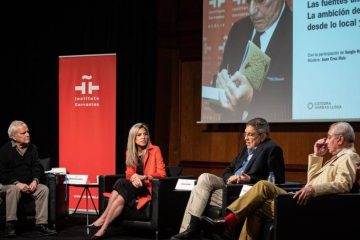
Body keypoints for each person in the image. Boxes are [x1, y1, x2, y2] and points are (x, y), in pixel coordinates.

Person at [202, 121, 360, 240]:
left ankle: (227, 220)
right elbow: (310, 181)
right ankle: (229, 221)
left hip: (312, 206)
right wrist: (317, 156)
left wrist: (313, 190)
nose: (325, 141)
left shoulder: (349, 157)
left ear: (339, 139)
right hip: (302, 200)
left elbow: (343, 184)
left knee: (263, 185)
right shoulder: (336, 158)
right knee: (256, 206)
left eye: (329, 137)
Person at [170, 118, 285, 240]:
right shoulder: (245, 149)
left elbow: (278, 179)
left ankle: (190, 230)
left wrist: (248, 179)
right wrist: (230, 177)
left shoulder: (272, 148)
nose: (246, 138)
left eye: (250, 134)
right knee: (204, 178)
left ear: (262, 135)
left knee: (199, 192)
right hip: (229, 184)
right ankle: (190, 230)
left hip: (243, 190)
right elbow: (228, 170)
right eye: (245, 134)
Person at [211, 0, 292, 121]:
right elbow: (218, 98)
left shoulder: (301, 31)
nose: (251, 11)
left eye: (260, 1)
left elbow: (297, 101)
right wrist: (218, 88)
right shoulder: (238, 29)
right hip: (230, 133)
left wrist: (252, 97)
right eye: (248, 1)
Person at [88, 123, 166, 239]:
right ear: (133, 138)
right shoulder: (130, 152)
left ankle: (103, 222)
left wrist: (143, 177)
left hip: (149, 188)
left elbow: (162, 174)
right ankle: (104, 227)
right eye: (139, 135)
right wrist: (135, 178)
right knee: (121, 189)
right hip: (135, 186)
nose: (143, 137)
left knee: (120, 182)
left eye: (145, 134)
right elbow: (129, 173)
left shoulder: (155, 150)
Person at [0, 120, 57, 238]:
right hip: (8, 184)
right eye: (23, 133)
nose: (27, 134)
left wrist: (35, 181)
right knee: (13, 189)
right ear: (13, 137)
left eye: (28, 132)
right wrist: (17, 183)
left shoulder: (32, 148)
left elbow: (37, 167)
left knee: (43, 189)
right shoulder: (4, 150)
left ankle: (41, 224)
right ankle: (10, 224)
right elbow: (3, 173)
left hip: (27, 184)